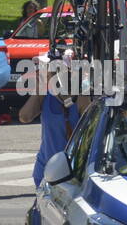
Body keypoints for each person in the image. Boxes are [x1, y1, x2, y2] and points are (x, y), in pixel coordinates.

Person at [19, 53, 88, 185]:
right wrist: (39, 88)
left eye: (46, 68)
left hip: (71, 171)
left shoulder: (80, 97)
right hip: (45, 169)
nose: (41, 72)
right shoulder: (45, 95)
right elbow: (24, 117)